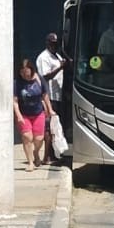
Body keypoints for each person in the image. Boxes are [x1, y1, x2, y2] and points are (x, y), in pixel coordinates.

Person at [35, 32, 72, 162]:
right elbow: (45, 76)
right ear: (47, 43)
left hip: (58, 95)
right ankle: (47, 155)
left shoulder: (56, 55)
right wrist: (60, 68)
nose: (54, 46)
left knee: (56, 126)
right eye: (52, 44)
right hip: (48, 96)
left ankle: (56, 152)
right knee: (49, 127)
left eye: (56, 44)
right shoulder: (43, 57)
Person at [12, 57, 51, 171]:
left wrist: (50, 109)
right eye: (22, 72)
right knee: (27, 137)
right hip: (24, 114)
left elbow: (45, 96)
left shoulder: (39, 79)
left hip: (38, 112)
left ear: (31, 70)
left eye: (27, 72)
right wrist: (18, 116)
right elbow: (14, 101)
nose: (25, 75)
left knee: (39, 138)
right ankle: (30, 162)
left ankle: (36, 152)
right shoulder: (17, 83)